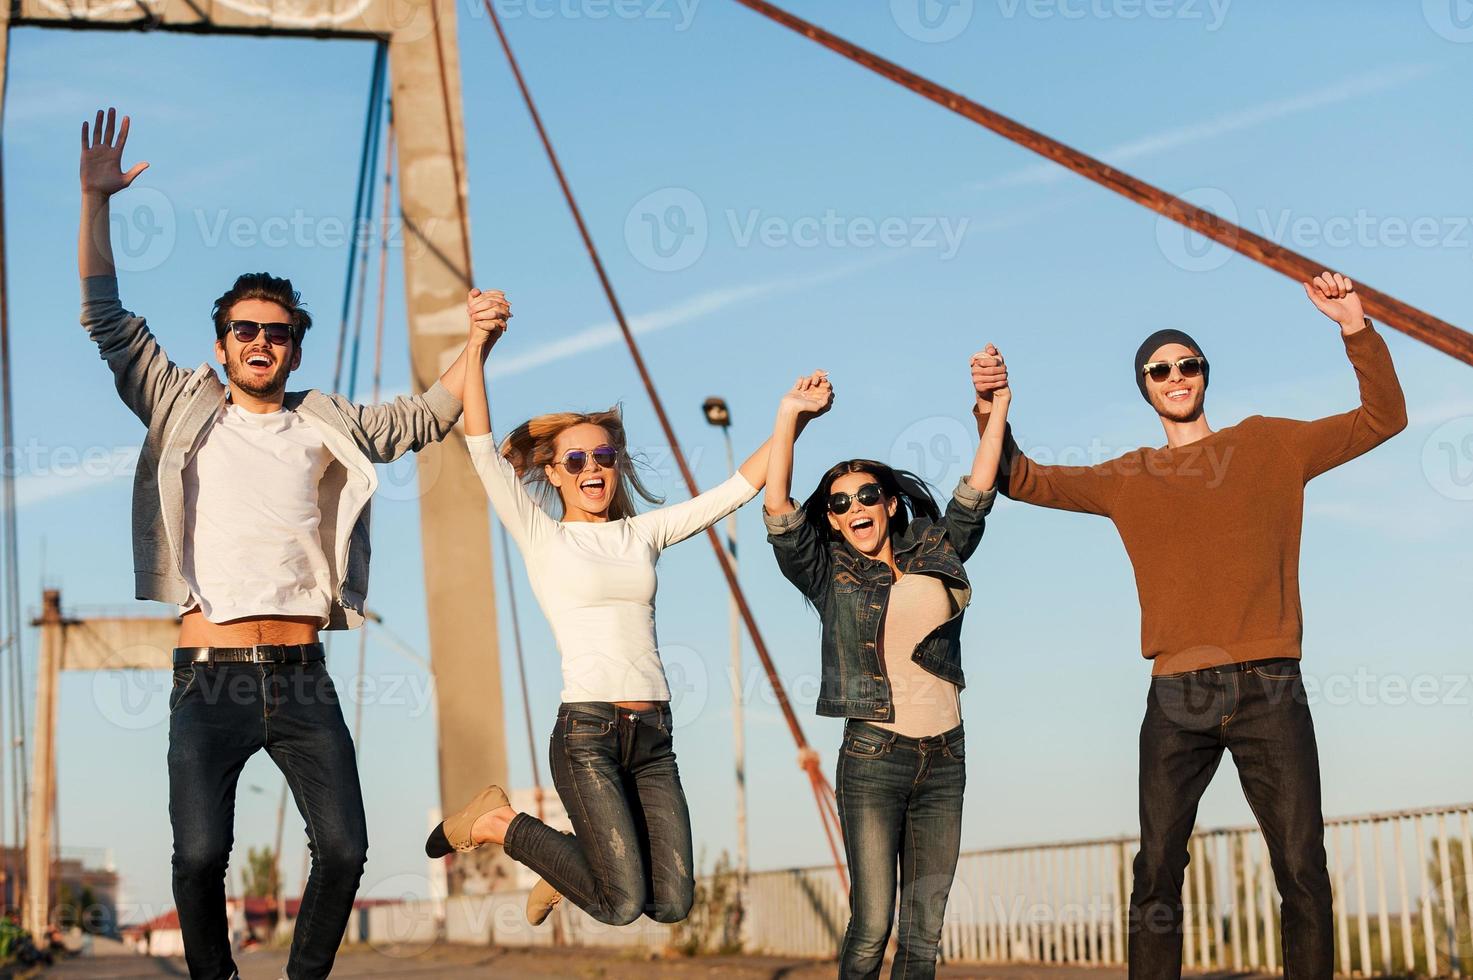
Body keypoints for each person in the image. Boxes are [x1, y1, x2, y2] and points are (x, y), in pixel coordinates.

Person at [78, 108, 500, 980]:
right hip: (211, 674)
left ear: (294, 345)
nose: (260, 342)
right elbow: (106, 317)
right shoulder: (178, 402)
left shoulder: (326, 421)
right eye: (245, 330)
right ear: (221, 343)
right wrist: (96, 202)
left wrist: (477, 345)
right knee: (197, 858)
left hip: (304, 677)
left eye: (276, 332)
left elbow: (428, 416)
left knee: (344, 850)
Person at [971, 273, 1406, 978]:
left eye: (1188, 365)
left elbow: (1381, 419)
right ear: (1144, 386)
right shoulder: (1127, 477)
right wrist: (991, 407)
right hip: (1177, 691)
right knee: (1156, 870)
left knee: (1300, 865)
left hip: (1269, 684)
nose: (1176, 376)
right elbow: (1020, 478)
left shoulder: (1270, 445)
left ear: (1204, 375)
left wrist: (1353, 328)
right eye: (1159, 369)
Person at [425, 286, 833, 927]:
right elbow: (479, 444)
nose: (594, 467)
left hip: (653, 736)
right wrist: (477, 343)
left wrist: (791, 419)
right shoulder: (543, 535)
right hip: (586, 732)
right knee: (619, 905)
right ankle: (501, 822)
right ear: (554, 472)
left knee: (670, 902)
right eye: (577, 459)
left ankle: (566, 862)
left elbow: (739, 487)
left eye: (605, 456)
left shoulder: (640, 533)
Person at [762, 360, 1011, 980]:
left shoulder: (933, 546)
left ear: (890, 501)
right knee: (873, 925)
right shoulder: (827, 575)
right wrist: (790, 418)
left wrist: (997, 405)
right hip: (874, 759)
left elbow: (976, 496)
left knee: (923, 937)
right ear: (834, 519)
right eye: (841, 503)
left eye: (867, 495)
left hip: (946, 757)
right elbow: (780, 514)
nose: (855, 508)